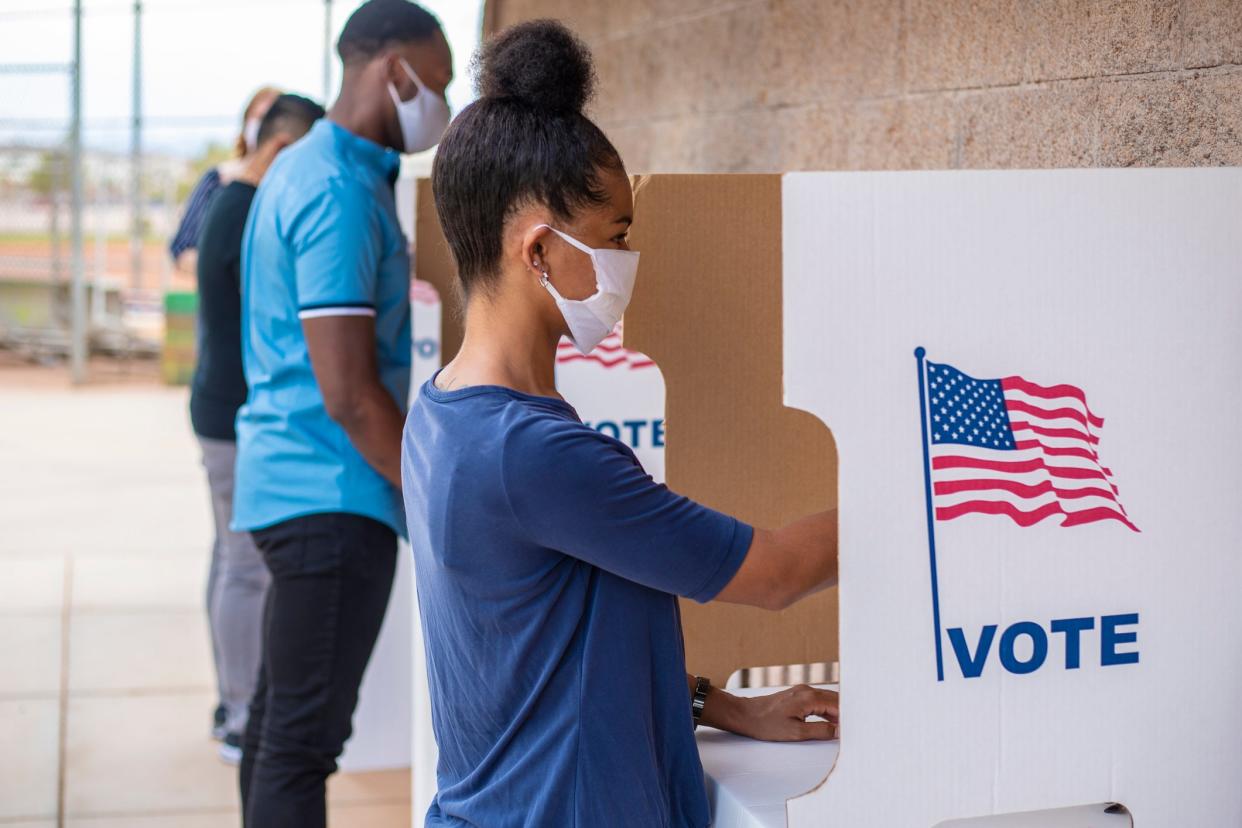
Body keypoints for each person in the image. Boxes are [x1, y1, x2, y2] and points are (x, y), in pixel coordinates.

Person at [403, 19, 840, 828]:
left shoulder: (443, 413)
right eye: (617, 237)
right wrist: (917, 504)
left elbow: (542, 655)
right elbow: (775, 575)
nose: (627, 261)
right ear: (538, 250)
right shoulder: (535, 455)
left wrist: (719, 703)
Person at [231, 1, 452, 825]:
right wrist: (433, 497)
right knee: (301, 743)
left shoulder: (315, 169)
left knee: (278, 728)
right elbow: (353, 395)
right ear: (393, 70)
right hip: (330, 494)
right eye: (437, 81)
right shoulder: (336, 194)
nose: (443, 101)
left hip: (295, 484)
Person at [191, 93, 326, 765]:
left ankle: (231, 702)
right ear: (278, 150)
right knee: (245, 568)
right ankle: (241, 716)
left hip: (218, 408)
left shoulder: (229, 202)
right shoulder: (246, 213)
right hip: (231, 416)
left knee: (230, 560)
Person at [170, 86, 281, 276]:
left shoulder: (290, 184)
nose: (264, 127)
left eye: (270, 118)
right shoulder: (219, 179)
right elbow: (182, 247)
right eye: (259, 118)